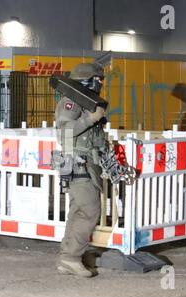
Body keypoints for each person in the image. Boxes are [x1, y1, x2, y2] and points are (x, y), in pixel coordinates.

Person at [54, 62, 108, 277]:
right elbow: (64, 134)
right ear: (89, 80)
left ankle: (69, 257)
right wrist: (90, 118)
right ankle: (70, 257)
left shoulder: (86, 102)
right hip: (78, 163)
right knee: (89, 209)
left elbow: (93, 138)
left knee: (79, 211)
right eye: (98, 79)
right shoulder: (71, 103)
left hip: (88, 163)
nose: (101, 83)